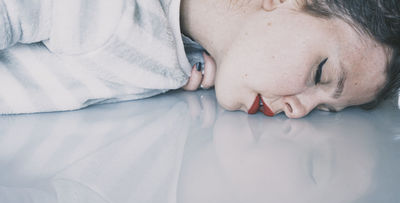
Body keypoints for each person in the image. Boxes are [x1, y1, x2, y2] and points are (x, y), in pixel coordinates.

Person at [0, 0, 398, 118]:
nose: (299, 111)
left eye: (326, 109)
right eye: (320, 74)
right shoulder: (118, 16)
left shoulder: (178, 58)